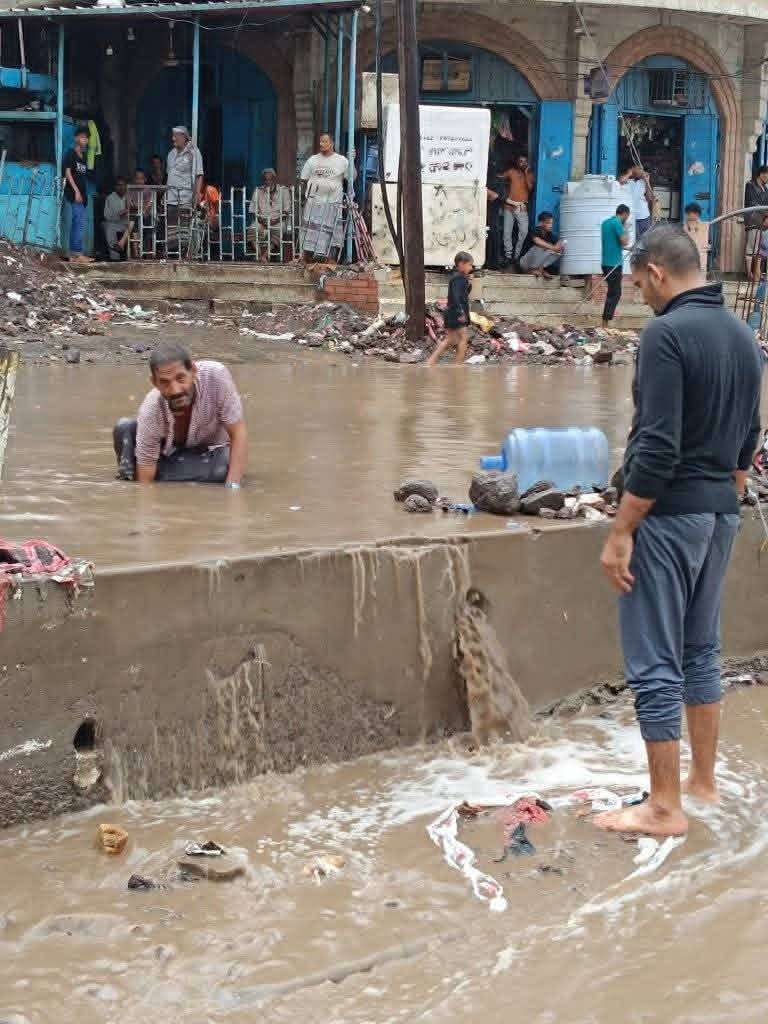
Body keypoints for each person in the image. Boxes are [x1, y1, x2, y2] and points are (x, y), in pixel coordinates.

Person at [597, 225, 762, 837]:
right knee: (701, 649)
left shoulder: (665, 335)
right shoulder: (742, 334)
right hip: (720, 512)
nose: (641, 296)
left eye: (640, 284)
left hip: (668, 515)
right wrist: (725, 494)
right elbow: (750, 434)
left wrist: (622, 530)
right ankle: (702, 783)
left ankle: (663, 807)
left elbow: (658, 445)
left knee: (655, 660)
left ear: (658, 273)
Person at [112, 344, 247, 487]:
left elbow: (238, 432)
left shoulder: (216, 376)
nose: (175, 390)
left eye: (180, 378)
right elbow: (146, 477)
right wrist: (144, 493)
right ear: (155, 383)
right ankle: (142, 476)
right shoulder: (151, 408)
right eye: (164, 382)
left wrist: (233, 487)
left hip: (207, 454)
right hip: (168, 454)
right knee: (124, 427)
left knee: (225, 464)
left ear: (193, 371)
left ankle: (158, 477)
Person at [300, 134, 348, 263]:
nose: (321, 144)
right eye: (320, 141)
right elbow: (303, 179)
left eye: (325, 141)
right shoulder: (312, 160)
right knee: (310, 233)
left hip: (332, 203)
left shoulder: (341, 160)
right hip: (313, 203)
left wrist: (352, 162)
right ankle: (308, 260)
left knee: (330, 233)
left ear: (331, 143)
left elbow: (351, 177)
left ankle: (330, 261)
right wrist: (304, 197)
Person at [426, 252, 474, 367]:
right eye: (469, 265)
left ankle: (430, 362)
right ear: (461, 264)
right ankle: (458, 366)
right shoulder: (458, 279)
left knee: (450, 339)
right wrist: (461, 312)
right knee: (463, 338)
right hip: (456, 313)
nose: (471, 268)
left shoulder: (459, 278)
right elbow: (456, 297)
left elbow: (462, 294)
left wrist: (469, 284)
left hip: (452, 312)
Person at [165, 126, 204, 254]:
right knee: (172, 230)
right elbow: (169, 176)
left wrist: (197, 194)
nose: (173, 139)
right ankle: (174, 255)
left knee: (184, 229)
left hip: (185, 196)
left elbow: (199, 175)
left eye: (175, 136)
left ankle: (186, 254)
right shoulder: (171, 154)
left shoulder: (194, 152)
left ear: (183, 137)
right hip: (171, 197)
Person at [63, 126, 92, 264]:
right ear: (76, 138)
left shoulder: (83, 157)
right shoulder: (71, 153)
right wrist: (76, 191)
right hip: (74, 194)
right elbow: (67, 173)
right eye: (82, 137)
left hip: (82, 195)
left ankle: (75, 255)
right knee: (78, 223)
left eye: (86, 138)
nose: (85, 140)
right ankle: (77, 254)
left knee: (78, 223)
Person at [248, 168, 292, 260]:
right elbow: (253, 210)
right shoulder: (258, 191)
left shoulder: (284, 190)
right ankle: (259, 254)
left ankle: (266, 255)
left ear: (275, 179)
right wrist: (261, 220)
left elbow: (286, 210)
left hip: (278, 220)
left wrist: (275, 221)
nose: (268, 182)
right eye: (266, 180)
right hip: (262, 220)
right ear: (263, 180)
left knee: (279, 230)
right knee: (253, 229)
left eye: (270, 179)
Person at [501, 154, 534, 268]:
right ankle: (508, 256)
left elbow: (530, 188)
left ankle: (516, 256)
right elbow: (500, 179)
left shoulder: (529, 175)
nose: (523, 163)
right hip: (509, 207)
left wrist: (526, 173)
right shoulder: (511, 172)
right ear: (517, 162)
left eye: (525, 161)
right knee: (507, 233)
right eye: (521, 161)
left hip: (521, 207)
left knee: (524, 231)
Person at [600, 204, 631, 328]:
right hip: (614, 264)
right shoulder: (617, 223)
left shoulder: (605, 223)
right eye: (627, 217)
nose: (627, 219)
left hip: (605, 263)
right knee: (615, 293)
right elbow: (625, 241)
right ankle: (605, 323)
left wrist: (628, 248)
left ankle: (605, 323)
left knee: (612, 292)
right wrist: (626, 229)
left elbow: (615, 243)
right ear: (625, 214)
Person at [519, 211, 564, 278]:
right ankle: (531, 270)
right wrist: (553, 247)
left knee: (558, 251)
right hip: (524, 262)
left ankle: (540, 269)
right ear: (540, 223)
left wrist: (559, 246)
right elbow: (537, 241)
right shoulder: (534, 230)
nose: (551, 225)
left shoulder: (549, 234)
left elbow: (559, 241)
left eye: (551, 223)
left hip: (537, 264)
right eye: (548, 223)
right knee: (541, 247)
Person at [744, 165, 768, 276]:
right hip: (752, 220)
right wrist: (765, 213)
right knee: (751, 247)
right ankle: (749, 273)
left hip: (762, 222)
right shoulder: (750, 185)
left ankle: (756, 273)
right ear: (762, 174)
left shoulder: (766, 189)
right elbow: (751, 203)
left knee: (758, 249)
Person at [619, 166, 653, 238]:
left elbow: (649, 198)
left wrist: (647, 181)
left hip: (644, 216)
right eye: (638, 169)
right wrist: (629, 173)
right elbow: (620, 181)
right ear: (632, 169)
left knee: (645, 240)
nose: (641, 171)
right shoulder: (627, 181)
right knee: (633, 240)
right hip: (631, 217)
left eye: (641, 169)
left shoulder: (644, 182)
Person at [102, 177, 129, 261]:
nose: (121, 187)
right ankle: (115, 258)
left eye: (123, 185)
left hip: (128, 224)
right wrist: (118, 215)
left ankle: (132, 256)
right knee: (108, 227)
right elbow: (107, 216)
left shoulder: (130, 195)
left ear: (126, 186)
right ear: (115, 187)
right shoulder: (110, 198)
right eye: (118, 185)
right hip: (116, 223)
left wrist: (128, 212)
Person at [683, 202, 710, 274]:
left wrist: (707, 246)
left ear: (697, 214)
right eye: (687, 214)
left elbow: (707, 241)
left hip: (700, 257)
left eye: (690, 213)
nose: (688, 216)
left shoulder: (704, 226)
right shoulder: (682, 226)